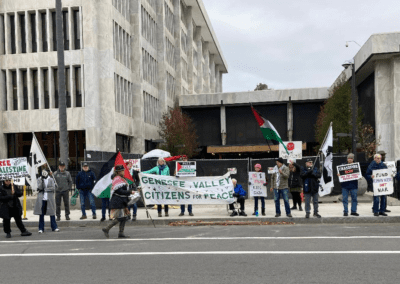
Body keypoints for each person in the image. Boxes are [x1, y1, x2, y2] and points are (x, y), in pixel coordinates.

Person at [102, 165, 132, 238]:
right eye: (122, 170)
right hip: (118, 200)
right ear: (118, 172)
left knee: (124, 217)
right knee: (120, 217)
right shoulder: (117, 179)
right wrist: (130, 192)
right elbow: (119, 191)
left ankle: (121, 233)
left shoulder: (121, 179)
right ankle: (107, 228)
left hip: (122, 200)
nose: (124, 171)